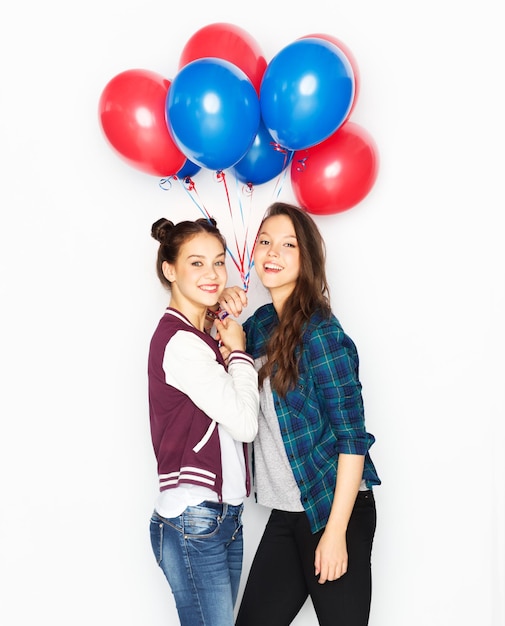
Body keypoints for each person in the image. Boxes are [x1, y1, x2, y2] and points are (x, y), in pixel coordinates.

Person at [218, 202, 381, 626]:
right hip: (287, 513)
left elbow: (352, 439)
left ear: (306, 257)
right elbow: (223, 360)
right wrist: (222, 307)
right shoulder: (261, 323)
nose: (273, 252)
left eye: (287, 244)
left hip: (332, 509)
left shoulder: (323, 333)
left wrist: (334, 533)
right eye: (265, 242)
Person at [147, 217, 259, 626]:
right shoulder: (182, 345)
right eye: (196, 264)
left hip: (222, 518)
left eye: (217, 263)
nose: (211, 274)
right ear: (169, 270)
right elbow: (245, 424)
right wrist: (238, 352)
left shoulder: (198, 335)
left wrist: (218, 312)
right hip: (195, 518)